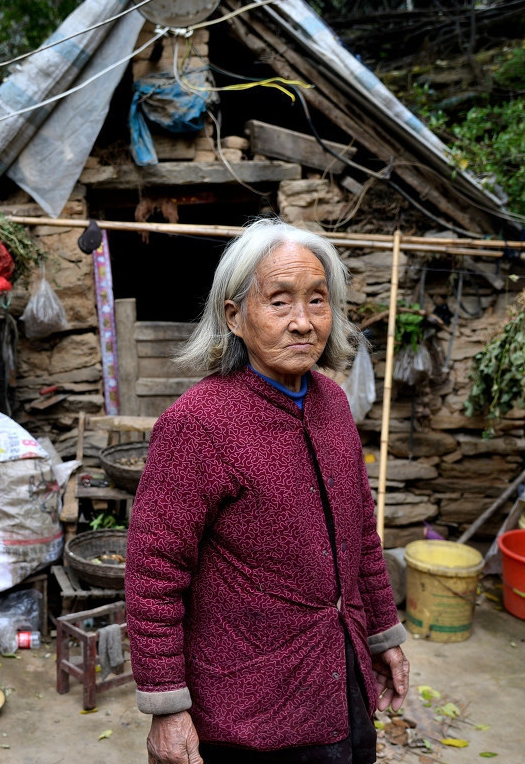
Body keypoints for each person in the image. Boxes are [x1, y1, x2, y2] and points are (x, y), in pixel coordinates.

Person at [126, 218, 409, 764]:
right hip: (248, 708)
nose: (303, 323)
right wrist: (166, 705)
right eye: (279, 302)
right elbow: (153, 570)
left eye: (318, 301)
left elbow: (360, 534)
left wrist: (383, 634)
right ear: (234, 316)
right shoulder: (199, 424)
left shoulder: (331, 403)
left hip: (339, 680)